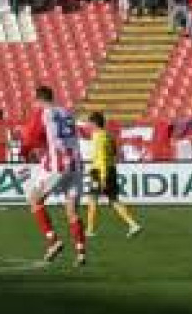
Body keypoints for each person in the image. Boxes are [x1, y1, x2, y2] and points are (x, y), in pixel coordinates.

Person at [22, 85, 88, 266]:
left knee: (34, 199)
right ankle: (81, 252)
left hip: (57, 165)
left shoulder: (42, 112)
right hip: (76, 164)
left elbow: (30, 138)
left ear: (39, 99)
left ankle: (53, 242)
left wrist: (25, 153)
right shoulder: (67, 112)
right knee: (72, 211)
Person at [84, 112, 142, 239]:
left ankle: (89, 230)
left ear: (94, 123)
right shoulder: (109, 135)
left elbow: (102, 158)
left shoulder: (98, 137)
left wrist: (103, 177)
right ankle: (133, 224)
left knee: (93, 200)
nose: (88, 125)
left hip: (100, 171)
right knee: (113, 200)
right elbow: (114, 152)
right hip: (111, 169)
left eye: (89, 123)